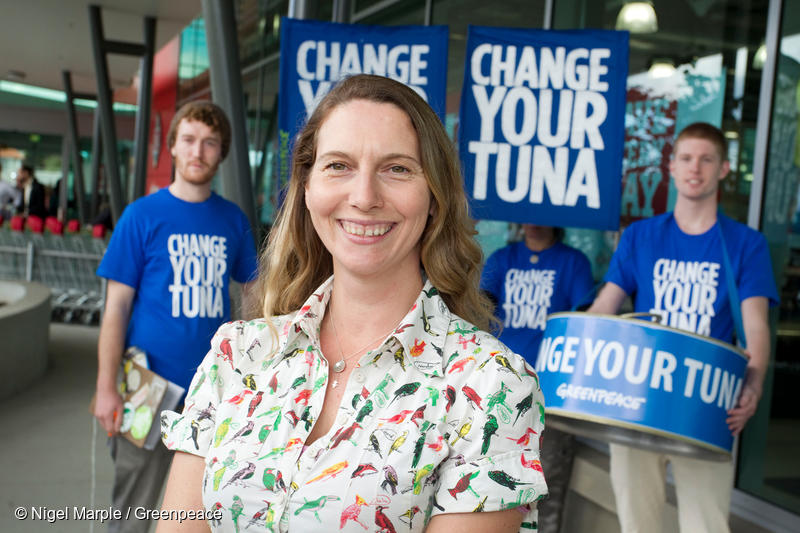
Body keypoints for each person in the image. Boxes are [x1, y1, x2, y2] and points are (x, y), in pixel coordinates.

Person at [158, 74, 548, 533]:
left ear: (435, 198)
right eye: (338, 165)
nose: (364, 197)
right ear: (306, 189)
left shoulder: (489, 387)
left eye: (397, 168)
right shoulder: (237, 355)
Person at [587, 122, 778, 533]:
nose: (696, 168)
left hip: (707, 403)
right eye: (686, 159)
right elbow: (606, 305)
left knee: (705, 525)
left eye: (707, 159)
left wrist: (755, 384)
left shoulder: (746, 244)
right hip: (639, 400)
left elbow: (755, 327)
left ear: (724, 168)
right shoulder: (640, 236)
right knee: (637, 524)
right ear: (671, 168)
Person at [93, 101, 259, 533]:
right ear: (172, 147)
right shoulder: (141, 217)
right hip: (144, 387)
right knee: (134, 508)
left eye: (210, 143)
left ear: (221, 153)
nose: (197, 151)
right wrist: (105, 387)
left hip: (211, 393)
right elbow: (115, 309)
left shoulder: (232, 221)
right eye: (188, 140)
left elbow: (254, 300)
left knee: (196, 514)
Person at [481, 224, 594, 533]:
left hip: (551, 392)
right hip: (500, 386)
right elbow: (479, 307)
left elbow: (584, 319)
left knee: (548, 484)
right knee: (494, 482)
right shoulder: (503, 258)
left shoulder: (573, 262)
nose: (534, 220)